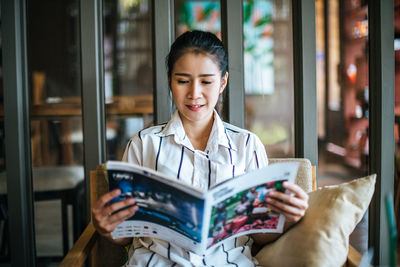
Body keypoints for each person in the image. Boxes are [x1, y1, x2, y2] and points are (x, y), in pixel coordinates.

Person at [92, 30, 309, 267]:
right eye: (183, 81)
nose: (194, 94)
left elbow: (258, 234)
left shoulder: (247, 145)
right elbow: (126, 234)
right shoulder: (144, 144)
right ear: (170, 80)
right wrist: (106, 228)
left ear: (222, 82)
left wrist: (288, 219)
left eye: (206, 81)